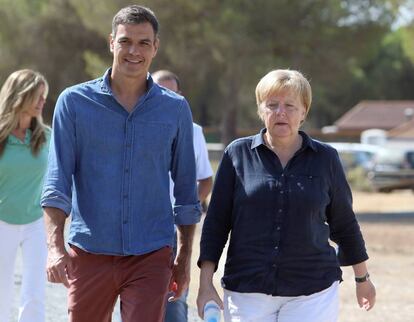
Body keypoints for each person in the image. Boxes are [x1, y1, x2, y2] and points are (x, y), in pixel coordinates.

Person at [40, 5, 201, 322]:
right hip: (89, 251)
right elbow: (57, 182)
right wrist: (55, 247)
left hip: (151, 252)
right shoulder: (73, 103)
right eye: (126, 41)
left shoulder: (175, 109)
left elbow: (186, 191)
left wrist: (183, 259)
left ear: (155, 48)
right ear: (111, 42)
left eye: (144, 43)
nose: (134, 51)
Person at [197, 69, 376, 322]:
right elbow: (216, 224)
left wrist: (362, 278)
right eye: (272, 105)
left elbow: (344, 223)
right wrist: (205, 285)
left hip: (312, 291)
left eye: (290, 106)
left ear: (304, 112)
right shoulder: (236, 155)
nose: (281, 112)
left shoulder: (326, 159)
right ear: (261, 109)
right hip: (247, 290)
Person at [153, 70, 213, 322]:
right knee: (137, 302)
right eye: (159, 91)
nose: (165, 97)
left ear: (180, 96)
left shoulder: (192, 130)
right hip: (140, 226)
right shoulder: (134, 125)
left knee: (175, 302)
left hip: (176, 229)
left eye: (171, 92)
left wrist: (184, 210)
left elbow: (206, 180)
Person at [0, 69, 50, 322]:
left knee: (34, 292)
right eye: (38, 96)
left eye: (44, 96)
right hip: (1, 222)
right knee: (1, 291)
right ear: (21, 95)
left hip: (35, 223)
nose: (43, 102)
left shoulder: (46, 138)